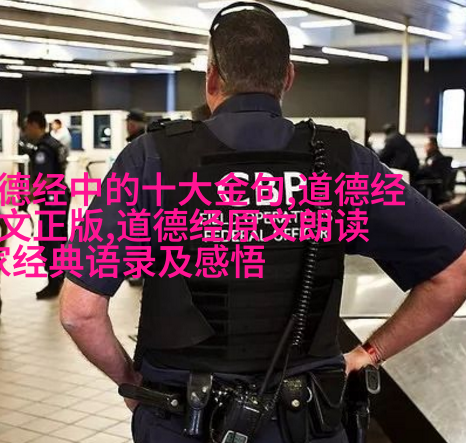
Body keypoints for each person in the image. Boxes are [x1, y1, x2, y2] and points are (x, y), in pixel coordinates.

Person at [59, 4, 466, 443]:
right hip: (307, 422)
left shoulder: (151, 158)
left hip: (181, 422)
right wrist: (371, 352)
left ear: (211, 78)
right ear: (288, 77)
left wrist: (132, 383)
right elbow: (454, 272)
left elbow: (80, 312)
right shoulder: (341, 161)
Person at [22, 111, 69, 300]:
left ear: (35, 125)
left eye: (27, 127)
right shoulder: (54, 143)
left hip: (52, 199)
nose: (26, 131)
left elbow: (46, 178)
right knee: (59, 238)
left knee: (49, 240)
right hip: (60, 196)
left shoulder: (43, 149)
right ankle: (61, 278)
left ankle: (54, 283)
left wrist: (28, 196)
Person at [413, 136, 454, 204]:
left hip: (433, 187)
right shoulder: (438, 158)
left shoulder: (435, 159)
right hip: (438, 187)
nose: (425, 148)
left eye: (427, 145)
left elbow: (428, 172)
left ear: (433, 146)